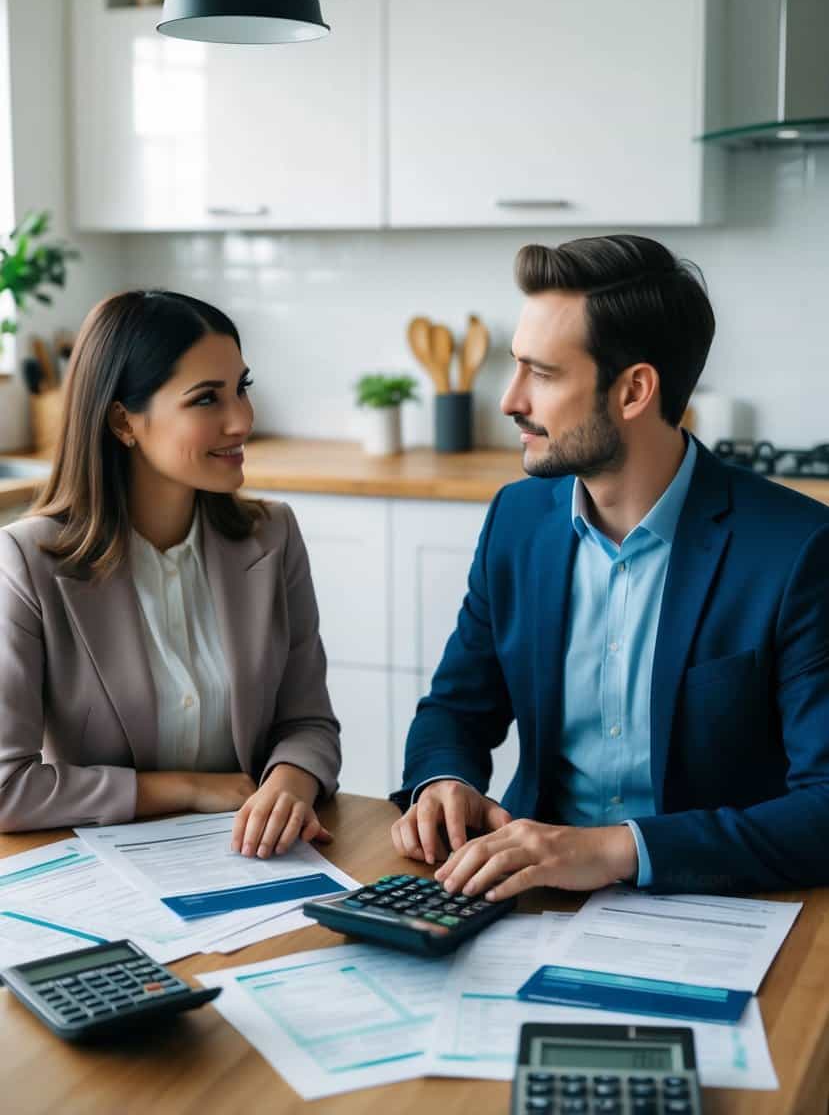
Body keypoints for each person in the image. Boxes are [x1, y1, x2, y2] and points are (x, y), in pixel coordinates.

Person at [391, 234, 829, 898]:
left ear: (632, 391)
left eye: (540, 373)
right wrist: (443, 780)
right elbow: (455, 707)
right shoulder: (515, 520)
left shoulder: (797, 549)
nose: (509, 400)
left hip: (714, 900)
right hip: (526, 893)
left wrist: (617, 850)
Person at [0, 290, 340, 858]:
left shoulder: (273, 536)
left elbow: (308, 723)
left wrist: (289, 783)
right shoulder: (29, 562)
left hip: (254, 863)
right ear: (122, 421)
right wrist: (188, 790)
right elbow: (7, 787)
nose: (242, 420)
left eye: (241, 389)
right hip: (100, 873)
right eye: (207, 399)